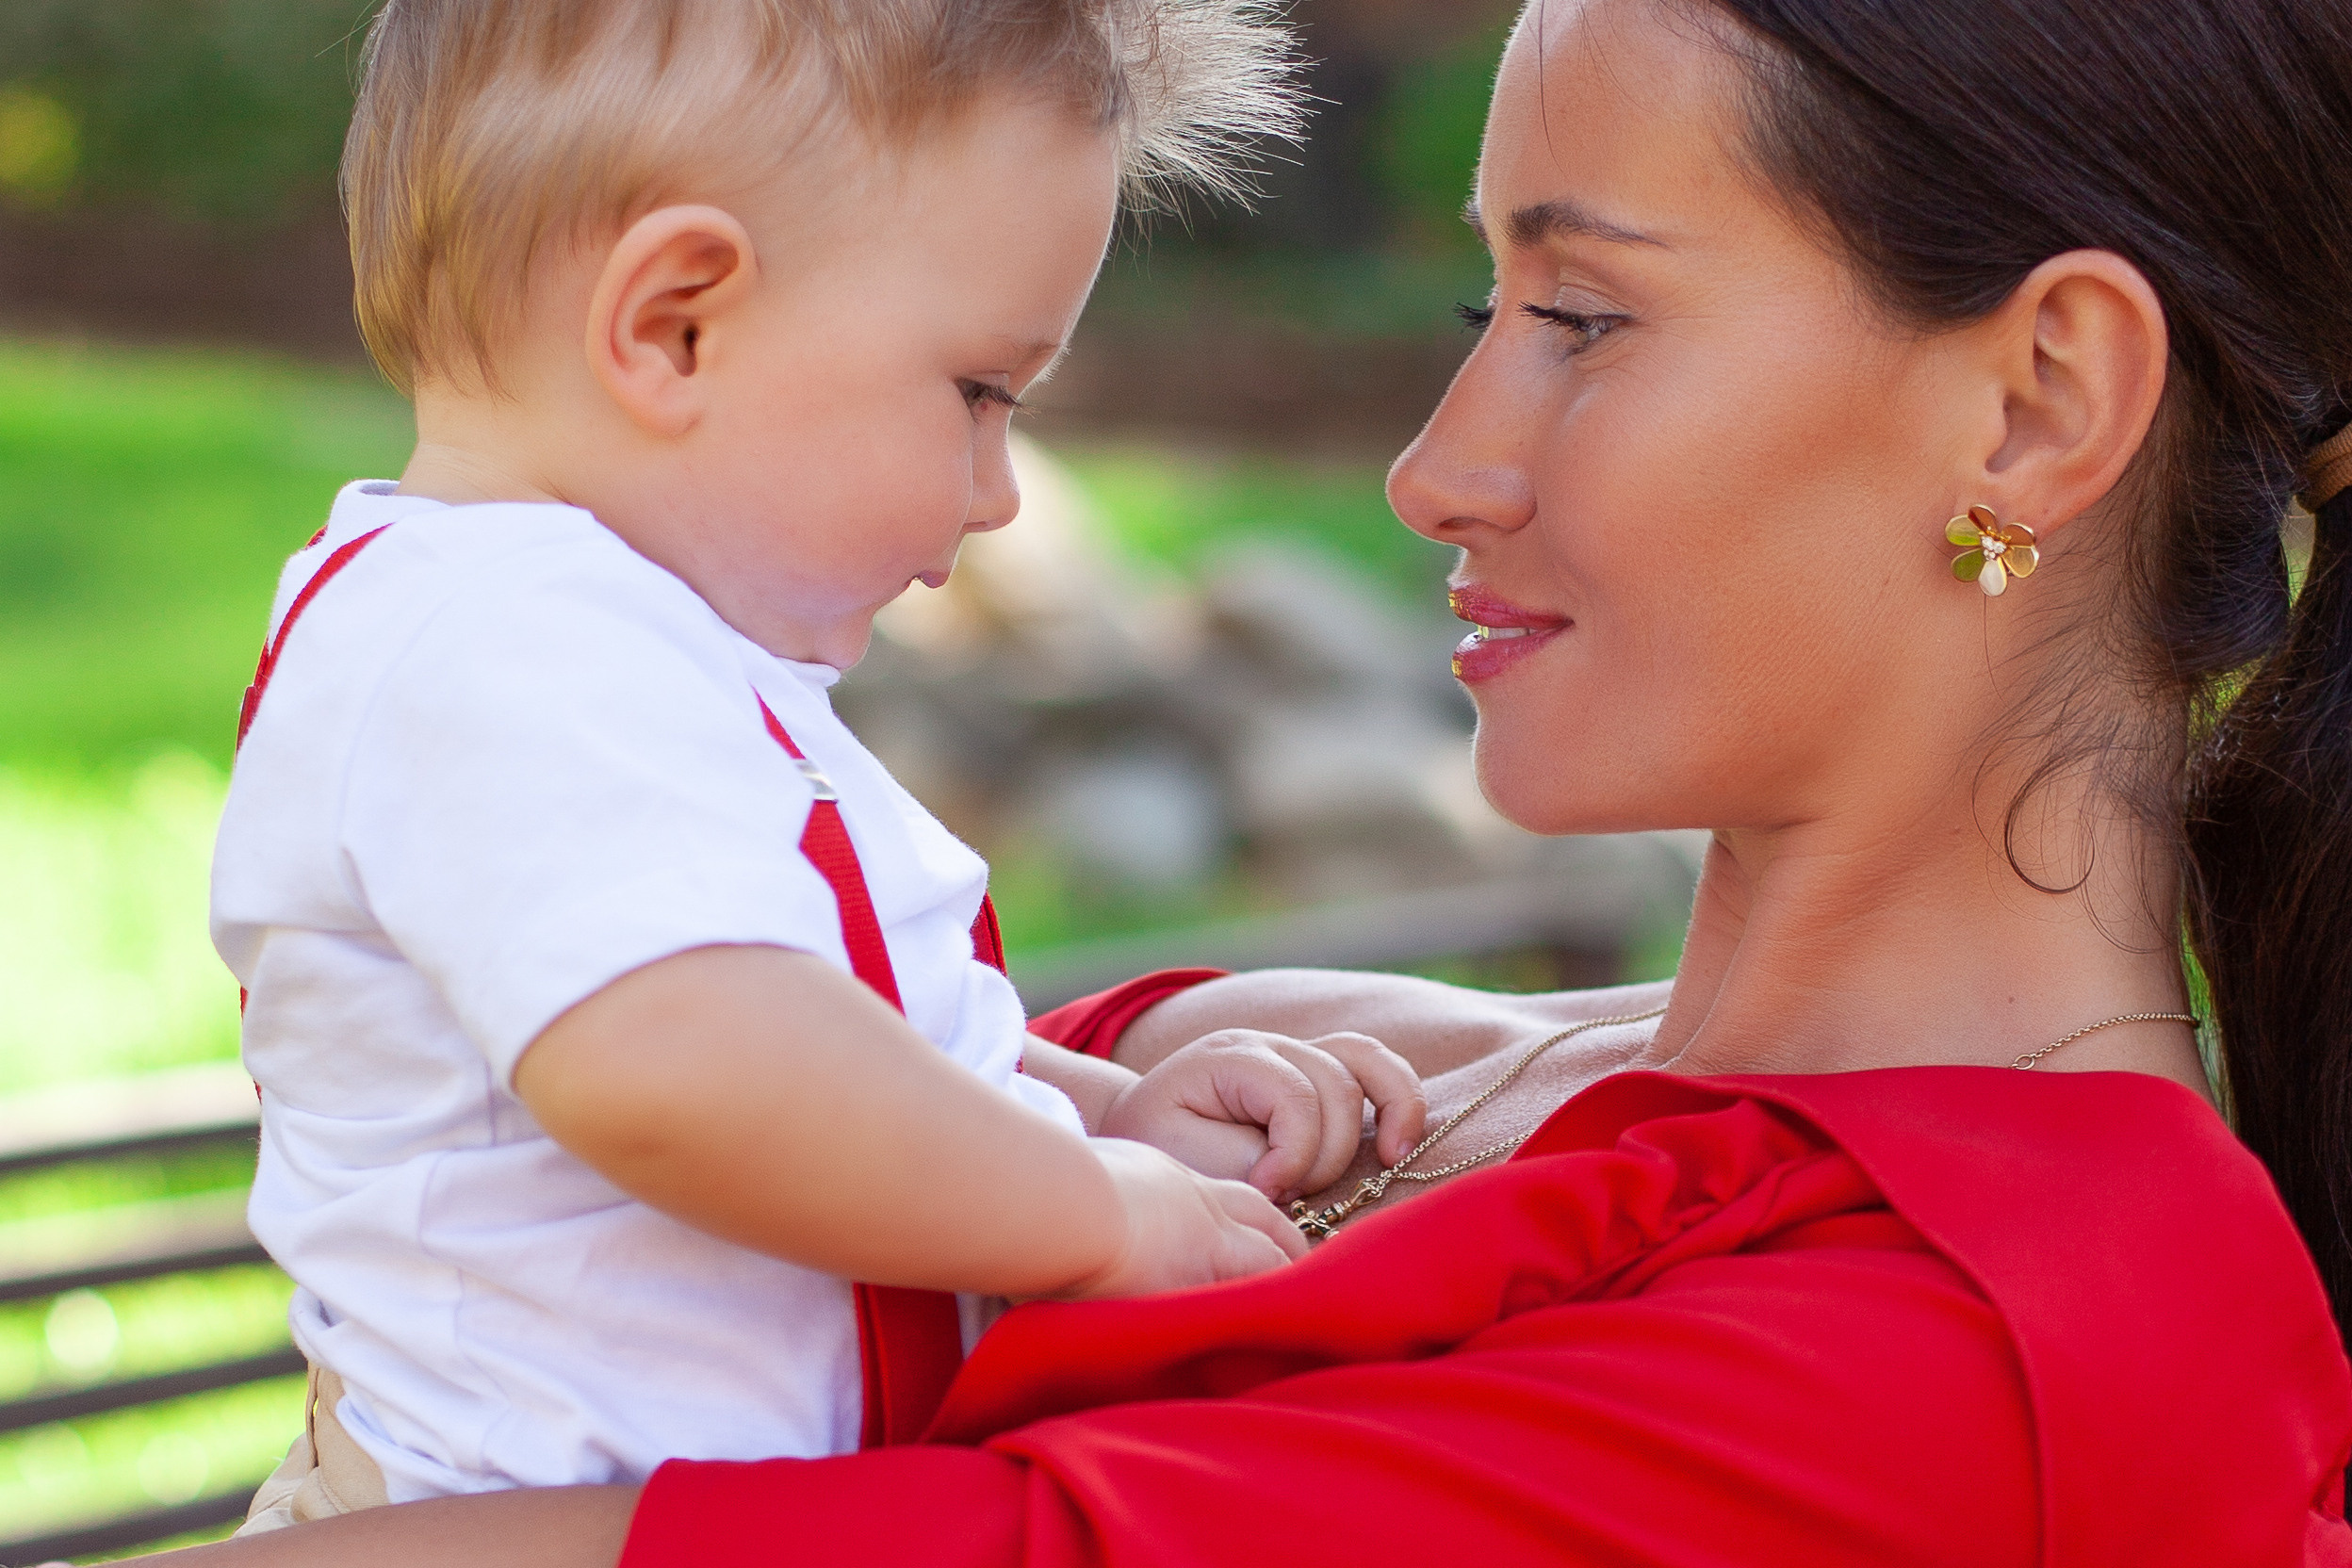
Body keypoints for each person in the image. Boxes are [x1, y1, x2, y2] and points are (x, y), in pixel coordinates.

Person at [153, 0, 2352, 1560]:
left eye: (1582, 320)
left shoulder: (2021, 1341)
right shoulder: (1309, 1061)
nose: (1433, 469)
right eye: (1476, 309)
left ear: (2040, 404)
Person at [208, 0, 1431, 1530]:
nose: (998, 497)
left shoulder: (624, 649)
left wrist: (1089, 1111)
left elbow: (817, 1017)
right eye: (983, 394)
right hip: (510, 1532)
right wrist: (1086, 1213)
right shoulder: (495, 644)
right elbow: (684, 1066)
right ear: (675, 326)